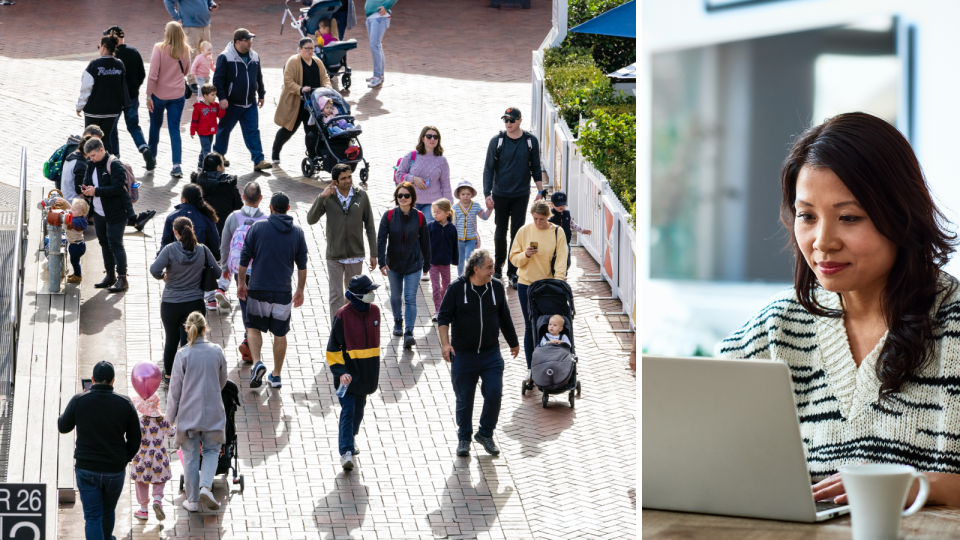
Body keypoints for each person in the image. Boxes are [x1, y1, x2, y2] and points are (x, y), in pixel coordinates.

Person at [715, 112, 960, 509]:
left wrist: (918, 486)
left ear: (901, 213)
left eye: (849, 217)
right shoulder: (775, 328)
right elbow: (701, 453)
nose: (822, 241)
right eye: (807, 216)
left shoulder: (954, 325)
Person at [437, 250, 519, 456]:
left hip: (491, 354)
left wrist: (513, 342)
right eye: (489, 267)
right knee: (465, 399)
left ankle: (485, 434)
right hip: (464, 355)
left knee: (494, 394)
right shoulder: (457, 288)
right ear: (476, 269)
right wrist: (445, 345)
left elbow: (505, 318)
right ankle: (464, 438)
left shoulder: (497, 288)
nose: (493, 271)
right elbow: (443, 318)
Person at [57, 361, 141, 540]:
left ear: (93, 379)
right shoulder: (125, 403)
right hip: (114, 470)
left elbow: (63, 427)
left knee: (93, 516)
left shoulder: (79, 400)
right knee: (108, 510)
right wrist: (123, 458)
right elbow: (135, 439)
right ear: (112, 381)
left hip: (87, 469)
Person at [237, 192, 309, 390]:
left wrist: (241, 283)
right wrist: (300, 289)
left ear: (270, 207)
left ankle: (258, 361)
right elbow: (302, 265)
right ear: (288, 208)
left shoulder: (258, 227)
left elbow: (244, 258)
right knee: (280, 333)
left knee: (253, 327)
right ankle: (276, 375)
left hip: (258, 288)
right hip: (283, 291)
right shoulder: (297, 232)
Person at [166, 311, 228, 513]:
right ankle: (206, 487)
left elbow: (174, 392)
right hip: (212, 413)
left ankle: (191, 501)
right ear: (205, 329)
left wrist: (169, 420)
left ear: (187, 329)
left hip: (188, 415)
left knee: (191, 456)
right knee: (211, 451)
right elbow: (223, 381)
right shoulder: (217, 351)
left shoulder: (182, 354)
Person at [482, 107, 547, 285]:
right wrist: (487, 194)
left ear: (520, 120)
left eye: (512, 120)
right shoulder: (497, 141)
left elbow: (535, 167)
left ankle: (513, 271)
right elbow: (488, 169)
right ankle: (498, 268)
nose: (508, 123)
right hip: (500, 194)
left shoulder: (530, 141)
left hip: (521, 194)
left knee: (517, 233)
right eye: (506, 120)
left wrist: (540, 191)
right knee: (500, 231)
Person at [151, 217, 221, 382]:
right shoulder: (203, 250)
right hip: (195, 303)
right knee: (190, 342)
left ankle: (168, 375)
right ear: (192, 229)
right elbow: (217, 273)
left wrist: (163, 277)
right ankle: (188, 376)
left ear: (175, 232)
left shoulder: (169, 250)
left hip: (170, 304)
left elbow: (154, 269)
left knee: (171, 340)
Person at [306, 163, 377, 319]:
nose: (348, 180)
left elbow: (370, 226)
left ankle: (349, 329)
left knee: (352, 295)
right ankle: (336, 332)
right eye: (343, 178)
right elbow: (310, 219)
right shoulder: (328, 197)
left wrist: (374, 253)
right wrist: (321, 197)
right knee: (336, 296)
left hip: (355, 254)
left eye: (349, 176)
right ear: (335, 182)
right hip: (335, 255)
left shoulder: (361, 196)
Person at [325, 275, 381, 470]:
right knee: (348, 411)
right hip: (347, 378)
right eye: (368, 292)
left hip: (366, 377)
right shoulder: (343, 316)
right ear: (358, 295)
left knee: (359, 410)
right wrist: (341, 371)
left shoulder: (375, 312)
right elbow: (333, 348)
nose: (372, 295)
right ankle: (346, 451)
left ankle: (351, 437)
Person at [509, 200, 568, 379]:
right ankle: (530, 368)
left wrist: (558, 282)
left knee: (547, 324)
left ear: (548, 217)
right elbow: (513, 258)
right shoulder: (524, 231)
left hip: (548, 286)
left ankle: (549, 364)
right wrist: (525, 255)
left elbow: (561, 260)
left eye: (541, 219)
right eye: (535, 218)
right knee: (529, 325)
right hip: (526, 284)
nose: (538, 222)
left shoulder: (558, 232)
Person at [377, 182, 431, 349]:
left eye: (406, 195)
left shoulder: (420, 216)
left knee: (410, 299)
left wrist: (427, 263)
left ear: (412, 197)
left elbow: (425, 242)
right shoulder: (388, 215)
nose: (402, 198)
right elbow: (381, 239)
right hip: (393, 264)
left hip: (413, 264)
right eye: (399, 195)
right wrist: (381, 261)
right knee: (395, 296)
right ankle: (398, 321)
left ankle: (409, 332)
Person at [212, 28, 273, 172]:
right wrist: (222, 97)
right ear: (238, 42)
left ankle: (258, 160)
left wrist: (261, 94)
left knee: (253, 131)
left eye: (251, 39)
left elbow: (259, 77)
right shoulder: (225, 57)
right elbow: (218, 79)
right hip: (231, 103)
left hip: (250, 102)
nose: (250, 42)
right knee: (224, 130)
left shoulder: (254, 56)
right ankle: (218, 155)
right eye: (247, 40)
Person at [81, 138, 135, 293]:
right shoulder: (91, 164)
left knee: (115, 243)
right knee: (104, 243)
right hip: (99, 212)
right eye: (89, 156)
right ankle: (110, 275)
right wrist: (86, 189)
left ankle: (122, 278)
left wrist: (96, 191)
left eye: (93, 155)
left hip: (116, 212)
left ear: (102, 150)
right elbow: (87, 181)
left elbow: (118, 188)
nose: (91, 159)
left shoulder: (115, 164)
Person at [220, 182, 266, 361]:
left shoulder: (233, 217)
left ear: (243, 198)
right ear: (261, 199)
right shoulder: (266, 220)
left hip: (241, 271)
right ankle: (252, 337)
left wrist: (225, 268)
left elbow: (224, 244)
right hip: (260, 272)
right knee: (258, 303)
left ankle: (248, 336)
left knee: (245, 303)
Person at [159, 184, 221, 310]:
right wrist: (216, 259)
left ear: (184, 199)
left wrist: (162, 264)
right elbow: (215, 242)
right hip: (199, 264)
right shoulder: (207, 217)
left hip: (175, 266)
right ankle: (210, 299)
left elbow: (165, 242)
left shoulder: (172, 217)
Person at [191, 153, 240, 308]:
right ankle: (222, 287)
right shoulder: (228, 183)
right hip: (225, 228)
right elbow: (238, 205)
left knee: (206, 261)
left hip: (201, 228)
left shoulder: (197, 182)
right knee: (226, 260)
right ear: (219, 167)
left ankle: (210, 298)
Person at [104, 26, 156, 171]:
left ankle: (116, 159)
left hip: (115, 99)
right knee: (133, 125)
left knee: (112, 128)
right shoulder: (133, 52)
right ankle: (144, 148)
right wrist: (134, 88)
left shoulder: (111, 55)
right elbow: (142, 74)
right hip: (132, 97)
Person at [272, 38, 331, 164]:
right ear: (300, 49)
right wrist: (300, 89)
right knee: (289, 130)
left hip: (312, 104)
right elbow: (288, 81)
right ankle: (275, 151)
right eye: (307, 48)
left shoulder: (317, 61)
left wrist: (327, 85)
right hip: (297, 104)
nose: (310, 51)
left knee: (312, 132)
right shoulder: (293, 61)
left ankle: (312, 156)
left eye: (312, 48)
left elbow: (325, 77)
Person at [146, 21, 192, 178]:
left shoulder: (159, 48)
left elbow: (153, 75)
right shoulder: (185, 50)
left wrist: (148, 95)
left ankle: (151, 159)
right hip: (178, 95)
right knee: (174, 129)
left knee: (155, 126)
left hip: (159, 95)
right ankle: (176, 165)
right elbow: (186, 71)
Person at [76, 35, 129, 158]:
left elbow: (86, 89)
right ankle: (107, 165)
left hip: (94, 110)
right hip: (112, 110)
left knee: (89, 139)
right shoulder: (119, 64)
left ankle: (90, 166)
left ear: (104, 47)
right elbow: (122, 87)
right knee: (106, 138)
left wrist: (79, 106)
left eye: (99, 47)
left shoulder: (94, 65)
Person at [130, 393, 176, 521]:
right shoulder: (164, 419)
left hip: (142, 455)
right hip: (159, 454)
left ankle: (143, 510)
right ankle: (157, 499)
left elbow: (133, 437)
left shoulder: (140, 421)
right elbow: (172, 433)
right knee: (159, 479)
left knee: (141, 481)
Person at [394, 126, 452, 225]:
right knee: (410, 233)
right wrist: (413, 179)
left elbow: (446, 185)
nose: (432, 139)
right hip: (410, 201)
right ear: (422, 138)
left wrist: (449, 206)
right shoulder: (411, 156)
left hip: (433, 204)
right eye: (429, 136)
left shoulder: (442, 161)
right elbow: (398, 175)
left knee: (428, 232)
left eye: (435, 137)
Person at [164, 0, 219, 90]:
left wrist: (212, 4)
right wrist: (177, 18)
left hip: (205, 26)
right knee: (192, 55)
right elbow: (168, 1)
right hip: (190, 28)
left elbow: (208, 1)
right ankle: (192, 83)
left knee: (206, 54)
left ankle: (204, 79)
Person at [453, 180, 492, 276]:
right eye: (463, 194)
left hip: (471, 238)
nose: (465, 196)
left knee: (468, 257)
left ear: (472, 195)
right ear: (459, 195)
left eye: (468, 194)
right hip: (459, 239)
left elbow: (484, 217)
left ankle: (469, 274)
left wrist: (489, 209)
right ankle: (460, 277)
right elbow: (453, 223)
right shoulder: (455, 207)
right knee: (460, 259)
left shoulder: (475, 205)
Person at [428, 198, 457, 321]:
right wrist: (424, 262)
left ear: (447, 213)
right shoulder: (430, 226)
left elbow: (455, 245)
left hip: (445, 263)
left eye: (438, 212)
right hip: (432, 263)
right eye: (434, 212)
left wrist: (455, 260)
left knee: (446, 286)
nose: (435, 214)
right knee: (435, 286)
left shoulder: (452, 229)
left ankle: (442, 303)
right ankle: (437, 311)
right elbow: (425, 245)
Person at [548, 191, 591, 271]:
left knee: (567, 258)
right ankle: (554, 272)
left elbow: (573, 225)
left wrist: (582, 230)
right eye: (558, 205)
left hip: (565, 242)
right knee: (554, 258)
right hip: (553, 242)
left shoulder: (567, 214)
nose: (561, 206)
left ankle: (564, 271)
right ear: (552, 204)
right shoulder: (550, 216)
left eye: (563, 204)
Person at [191, 84, 225, 169]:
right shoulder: (198, 107)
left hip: (211, 131)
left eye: (215, 94)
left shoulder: (215, 105)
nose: (214, 97)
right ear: (205, 96)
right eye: (212, 95)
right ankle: (208, 167)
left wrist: (222, 108)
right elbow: (194, 120)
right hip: (202, 132)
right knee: (207, 150)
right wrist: (192, 131)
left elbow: (220, 115)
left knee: (204, 149)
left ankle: (200, 164)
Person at [364, 0, 396, 88]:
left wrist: (386, 7)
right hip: (372, 17)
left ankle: (377, 76)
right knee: (377, 46)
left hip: (379, 17)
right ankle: (379, 75)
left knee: (374, 46)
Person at [66, 198, 90, 284]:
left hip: (75, 246)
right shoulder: (81, 219)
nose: (70, 210)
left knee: (74, 262)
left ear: (80, 213)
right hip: (79, 244)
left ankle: (78, 276)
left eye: (73, 210)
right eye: (71, 208)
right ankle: (76, 273)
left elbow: (68, 225)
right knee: (75, 261)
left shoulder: (75, 221)